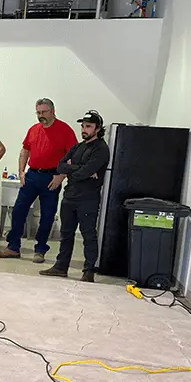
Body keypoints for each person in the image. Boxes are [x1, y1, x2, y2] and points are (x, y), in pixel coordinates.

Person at [0, 98, 78, 263]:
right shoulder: (34, 129)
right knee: (19, 210)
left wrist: (61, 176)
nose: (41, 116)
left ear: (53, 111)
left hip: (52, 177)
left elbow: (72, 157)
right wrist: (21, 171)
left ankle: (40, 249)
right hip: (32, 175)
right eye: (38, 112)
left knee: (47, 215)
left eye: (44, 112)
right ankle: (13, 247)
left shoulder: (65, 130)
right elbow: (24, 151)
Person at [40, 111, 111, 283]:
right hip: (70, 196)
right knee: (66, 233)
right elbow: (60, 166)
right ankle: (61, 267)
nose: (84, 130)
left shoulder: (101, 149)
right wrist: (79, 169)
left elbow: (82, 173)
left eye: (88, 126)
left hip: (88, 198)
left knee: (88, 234)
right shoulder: (77, 147)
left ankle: (88, 271)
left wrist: (76, 169)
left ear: (97, 128)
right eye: (83, 126)